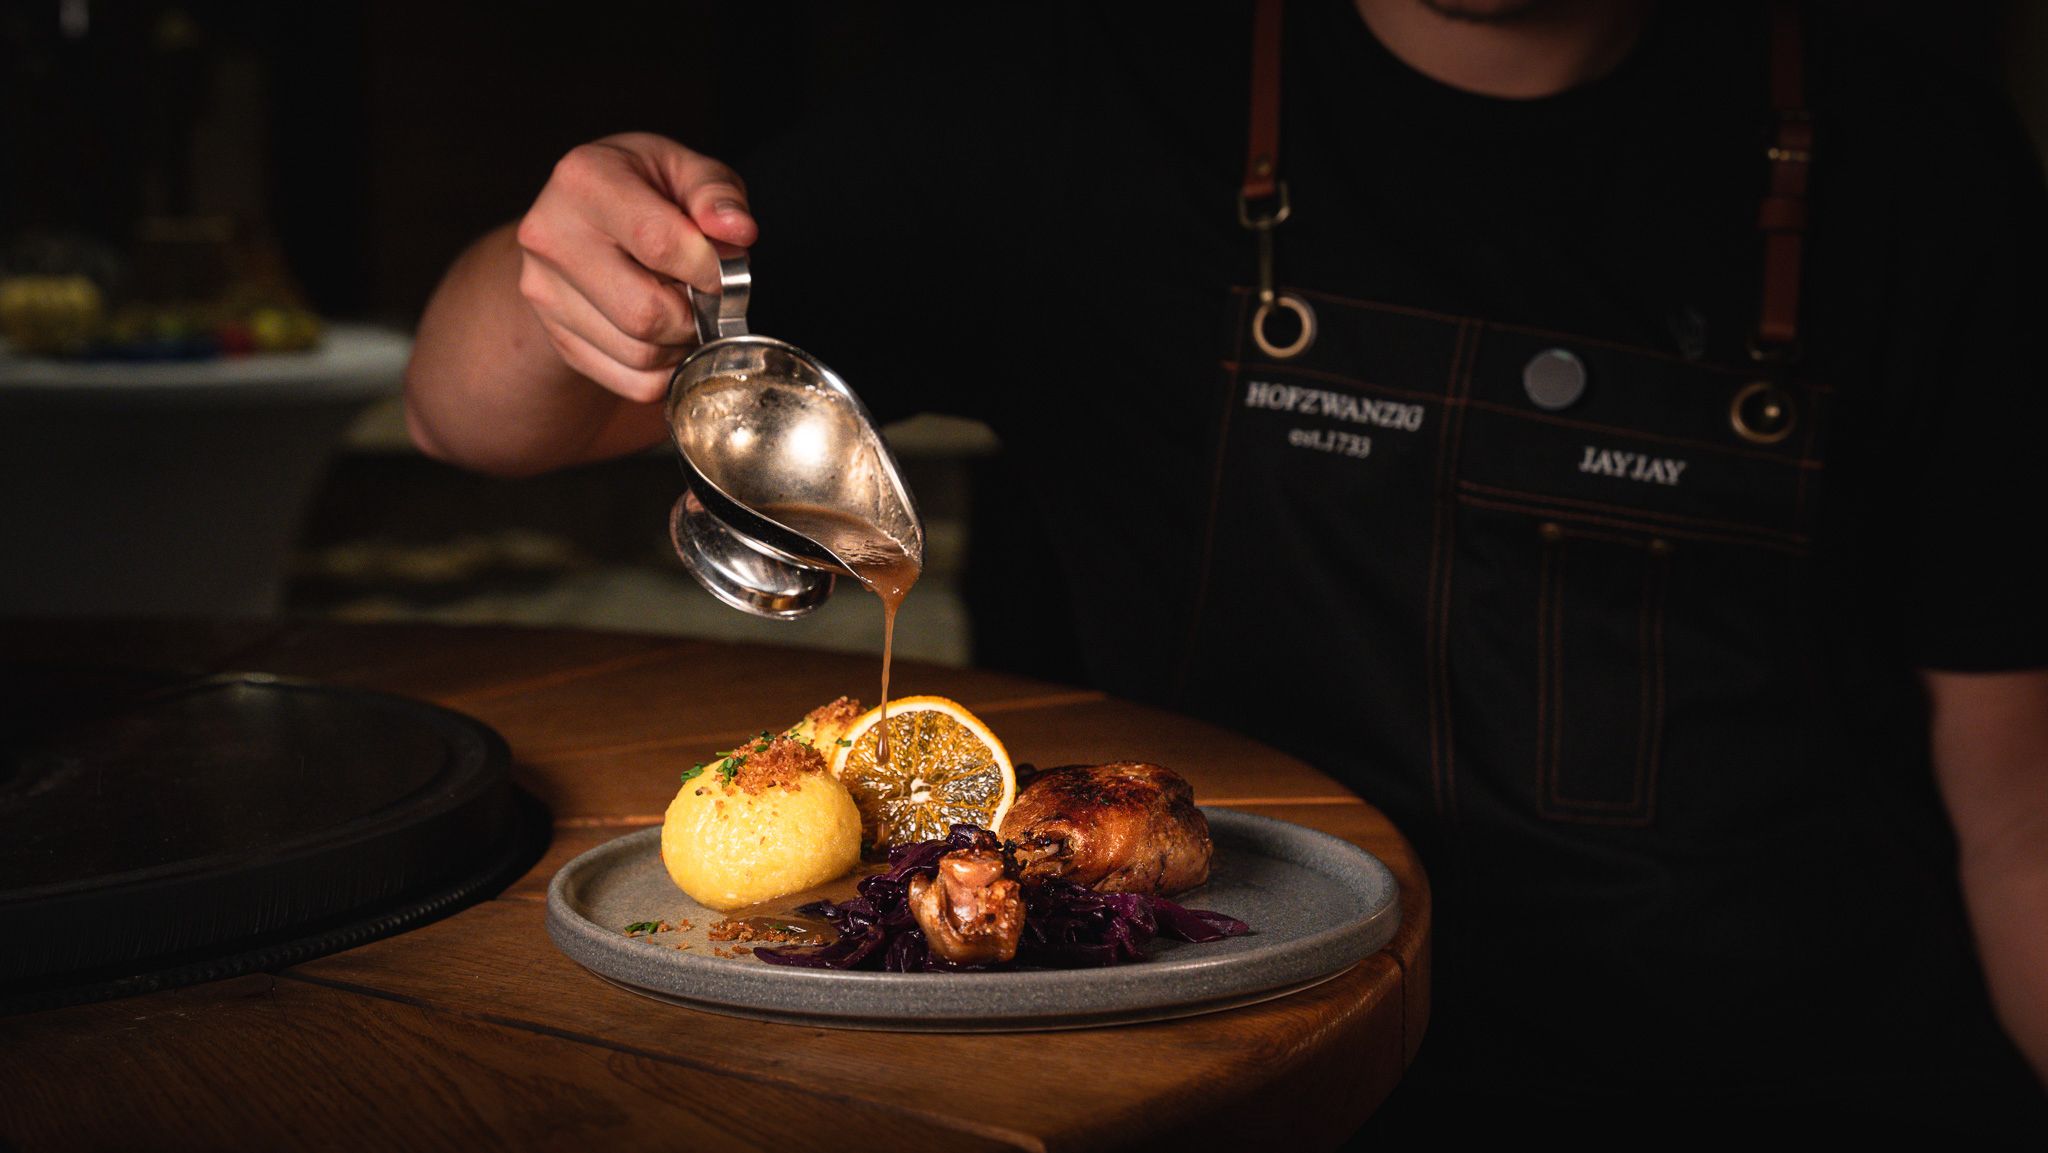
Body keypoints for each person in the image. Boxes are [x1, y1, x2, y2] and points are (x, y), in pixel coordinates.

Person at [405, 0, 2048, 1138]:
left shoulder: (1919, 163)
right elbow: (467, 409)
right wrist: (583, 264)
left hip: (1802, 1082)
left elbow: (2023, 819)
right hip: (1244, 1081)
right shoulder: (1081, 94)